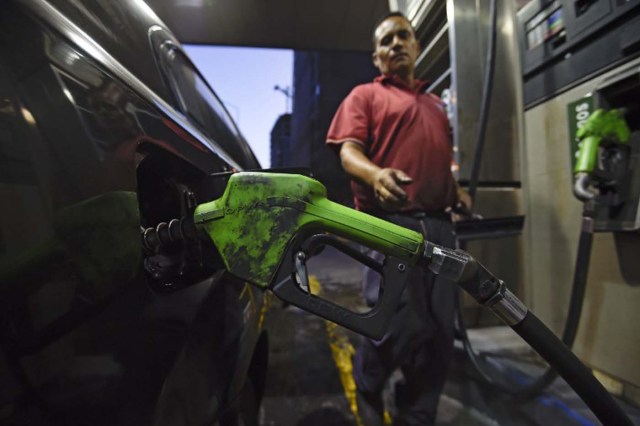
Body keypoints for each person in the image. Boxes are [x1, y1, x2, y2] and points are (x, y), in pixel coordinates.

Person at [326, 12, 472, 426]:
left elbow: (441, 160)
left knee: (441, 332)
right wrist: (375, 174)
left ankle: (418, 413)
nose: (395, 44)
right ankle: (369, 384)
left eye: (403, 36)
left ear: (417, 45)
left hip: (441, 227)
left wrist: (455, 191)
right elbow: (348, 152)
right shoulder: (365, 96)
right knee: (396, 322)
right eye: (386, 40)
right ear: (376, 57)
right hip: (391, 228)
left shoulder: (436, 105)